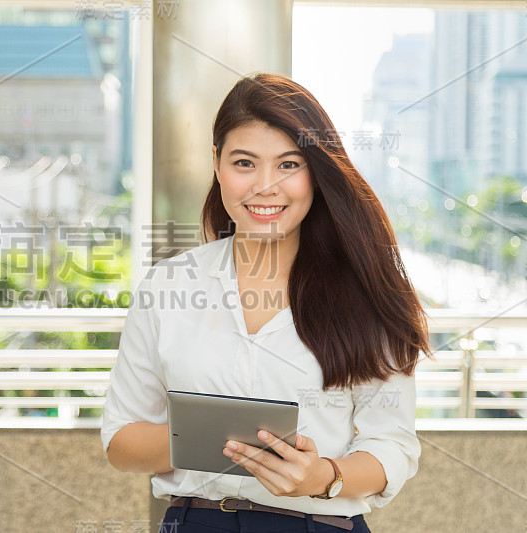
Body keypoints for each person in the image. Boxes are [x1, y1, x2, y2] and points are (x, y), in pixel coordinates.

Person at [100, 73, 434, 533]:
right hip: (195, 523)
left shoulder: (365, 293)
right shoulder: (168, 285)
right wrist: (211, 436)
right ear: (216, 164)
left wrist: (323, 477)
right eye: (244, 163)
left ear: (316, 171)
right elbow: (121, 441)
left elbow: (392, 446)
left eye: (288, 165)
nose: (265, 186)